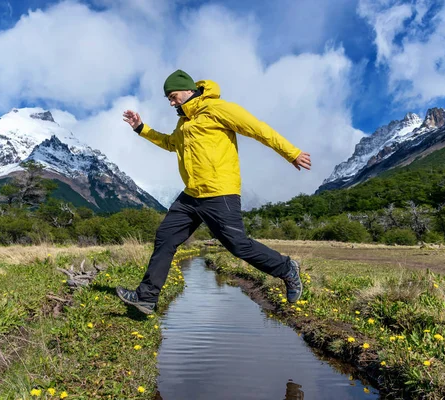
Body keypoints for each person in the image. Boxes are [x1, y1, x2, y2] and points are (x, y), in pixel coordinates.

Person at [116, 70, 312, 314]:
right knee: (165, 237)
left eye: (173, 96)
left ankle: (286, 269)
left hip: (219, 191)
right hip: (191, 194)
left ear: (188, 90)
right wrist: (140, 127)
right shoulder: (184, 121)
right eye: (168, 98)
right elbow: (170, 144)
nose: (171, 102)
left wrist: (291, 153)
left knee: (237, 245)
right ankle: (146, 297)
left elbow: (258, 129)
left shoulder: (217, 108)